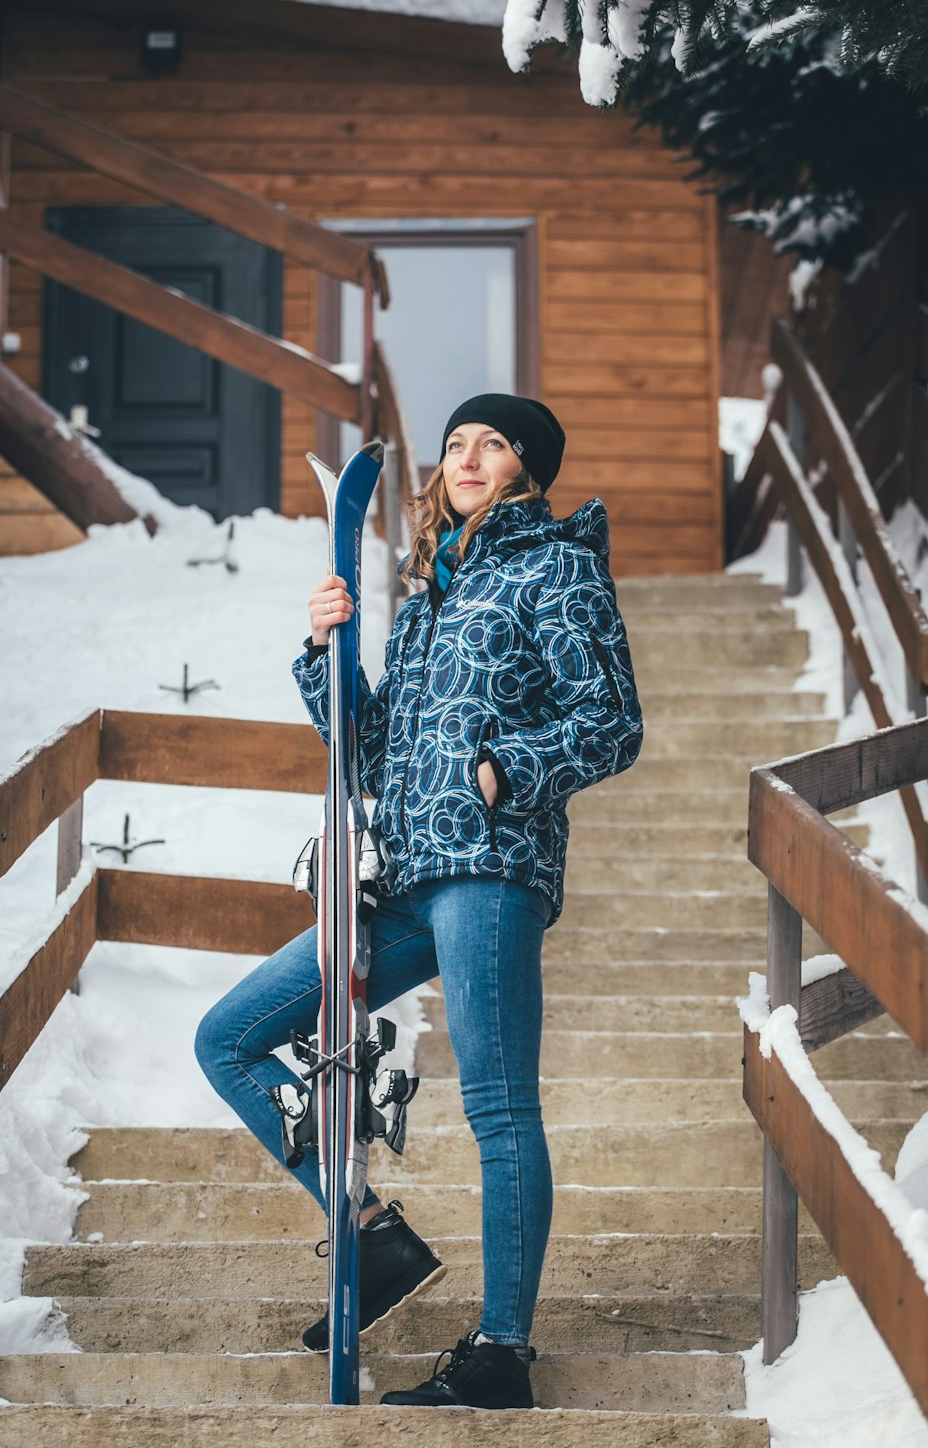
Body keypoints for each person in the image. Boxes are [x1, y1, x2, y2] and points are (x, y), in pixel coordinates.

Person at [195, 392, 643, 1410]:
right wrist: (324, 655)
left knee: (498, 1106)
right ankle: (371, 1239)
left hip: (488, 869)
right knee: (228, 1037)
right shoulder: (432, 588)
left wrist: (502, 772)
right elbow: (369, 746)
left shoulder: (555, 565)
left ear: (526, 469)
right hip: (396, 877)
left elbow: (612, 721)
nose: (470, 456)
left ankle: (500, 1353)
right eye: (456, 443)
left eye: (494, 443)